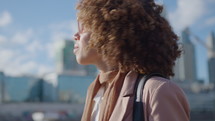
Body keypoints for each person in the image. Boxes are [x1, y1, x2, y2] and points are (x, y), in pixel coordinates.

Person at [73, 0, 190, 121]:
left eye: (83, 27)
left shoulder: (158, 91)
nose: (76, 35)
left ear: (110, 30)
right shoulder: (95, 93)